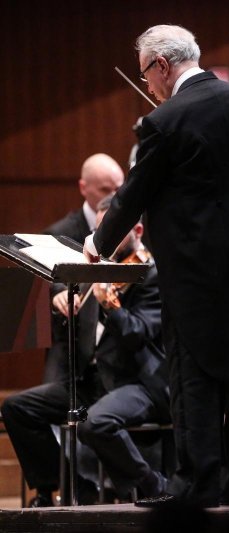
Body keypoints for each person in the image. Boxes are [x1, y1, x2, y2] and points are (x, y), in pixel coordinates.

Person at [84, 24, 229, 507]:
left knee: (194, 378)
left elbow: (132, 196)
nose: (148, 87)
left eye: (146, 75)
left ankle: (195, 487)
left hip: (193, 273)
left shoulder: (164, 121)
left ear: (162, 66)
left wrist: (98, 242)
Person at [2, 195, 169, 507]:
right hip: (92, 381)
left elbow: (137, 335)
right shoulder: (92, 272)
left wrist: (111, 305)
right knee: (17, 408)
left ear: (138, 232)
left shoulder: (151, 275)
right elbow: (75, 324)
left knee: (96, 423)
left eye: (116, 231)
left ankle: (153, 483)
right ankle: (67, 484)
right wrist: (61, 302)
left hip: (137, 383)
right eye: (102, 232)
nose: (107, 240)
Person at [43, 154, 125, 383]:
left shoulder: (132, 227)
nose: (114, 197)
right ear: (83, 187)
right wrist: (58, 290)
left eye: (119, 188)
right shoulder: (59, 233)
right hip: (70, 342)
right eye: (105, 190)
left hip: (115, 343)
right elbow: (43, 276)